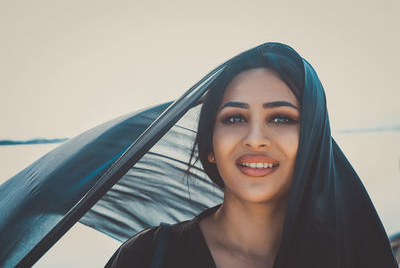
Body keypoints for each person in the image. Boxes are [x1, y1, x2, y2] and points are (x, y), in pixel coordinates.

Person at [105, 43, 398, 268]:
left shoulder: (351, 260)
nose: (255, 140)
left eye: (281, 118)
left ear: (312, 141)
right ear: (209, 146)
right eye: (234, 119)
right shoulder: (146, 259)